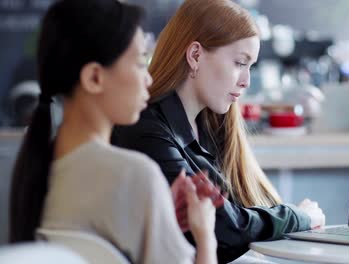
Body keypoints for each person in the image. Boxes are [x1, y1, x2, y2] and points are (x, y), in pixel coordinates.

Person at [8, 0, 223, 263]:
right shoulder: (135, 174)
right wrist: (205, 234)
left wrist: (157, 208)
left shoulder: (36, 165)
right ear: (94, 78)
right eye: (140, 62)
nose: (149, 79)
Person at [112, 0, 326, 262]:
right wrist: (298, 217)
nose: (246, 81)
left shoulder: (209, 127)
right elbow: (225, 225)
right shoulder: (147, 131)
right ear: (195, 55)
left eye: (251, 66)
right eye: (239, 63)